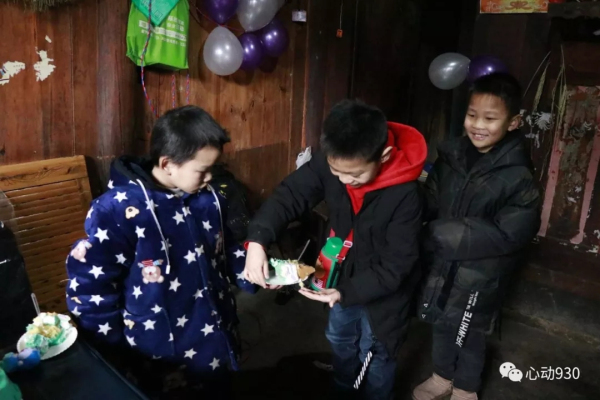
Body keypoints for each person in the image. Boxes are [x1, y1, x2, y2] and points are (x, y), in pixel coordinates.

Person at [65, 105, 255, 399]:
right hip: (158, 351)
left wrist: (252, 271)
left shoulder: (208, 198)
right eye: (202, 170)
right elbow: (91, 286)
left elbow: (225, 249)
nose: (209, 178)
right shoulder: (117, 209)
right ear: (167, 164)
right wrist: (110, 351)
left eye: (213, 168)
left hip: (215, 337)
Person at [243, 99, 427, 400]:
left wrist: (344, 292)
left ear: (384, 156)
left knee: (375, 351)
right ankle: (342, 390)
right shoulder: (334, 161)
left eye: (354, 176)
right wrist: (257, 241)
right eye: (335, 171)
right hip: (340, 275)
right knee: (339, 337)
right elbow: (290, 195)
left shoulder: (406, 195)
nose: (343, 181)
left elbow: (397, 264)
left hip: (385, 292)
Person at [413, 73, 541, 400]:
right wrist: (406, 209)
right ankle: (442, 376)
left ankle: (466, 388)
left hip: (480, 273)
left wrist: (437, 233)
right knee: (441, 318)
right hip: (444, 262)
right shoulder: (451, 157)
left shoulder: (518, 175)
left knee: (469, 331)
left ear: (513, 122)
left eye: (490, 118)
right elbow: (432, 199)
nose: (478, 125)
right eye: (472, 115)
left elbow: (510, 233)